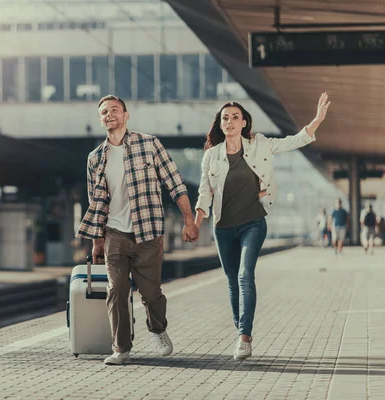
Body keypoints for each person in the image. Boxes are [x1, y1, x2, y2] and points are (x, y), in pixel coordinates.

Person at [194, 93, 331, 360]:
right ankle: (240, 329)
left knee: (245, 275)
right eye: (225, 118)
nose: (230, 121)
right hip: (223, 227)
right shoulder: (211, 156)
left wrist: (316, 121)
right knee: (232, 282)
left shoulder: (260, 144)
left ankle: (244, 336)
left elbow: (293, 141)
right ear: (221, 125)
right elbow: (204, 192)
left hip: (253, 222)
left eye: (235, 117)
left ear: (244, 122)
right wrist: (196, 223)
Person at [76, 95, 199, 365]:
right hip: (114, 234)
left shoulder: (150, 144)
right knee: (116, 289)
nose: (110, 115)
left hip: (148, 232)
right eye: (104, 112)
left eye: (115, 110)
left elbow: (175, 184)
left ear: (126, 115)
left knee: (151, 293)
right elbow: (95, 203)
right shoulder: (95, 158)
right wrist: (97, 241)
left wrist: (189, 220)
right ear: (100, 120)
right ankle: (121, 348)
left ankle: (157, 328)